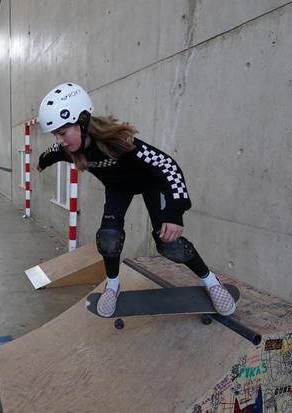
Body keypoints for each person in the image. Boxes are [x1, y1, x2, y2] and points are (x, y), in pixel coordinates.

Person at [35, 82, 236, 317]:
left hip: (151, 184)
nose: (59, 141)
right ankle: (113, 285)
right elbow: (51, 152)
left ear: (82, 122)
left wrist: (174, 213)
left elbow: (166, 165)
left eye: (62, 133)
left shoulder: (118, 143)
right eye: (55, 135)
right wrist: (41, 162)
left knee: (170, 244)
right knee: (108, 238)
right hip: (118, 188)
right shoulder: (68, 148)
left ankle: (211, 282)